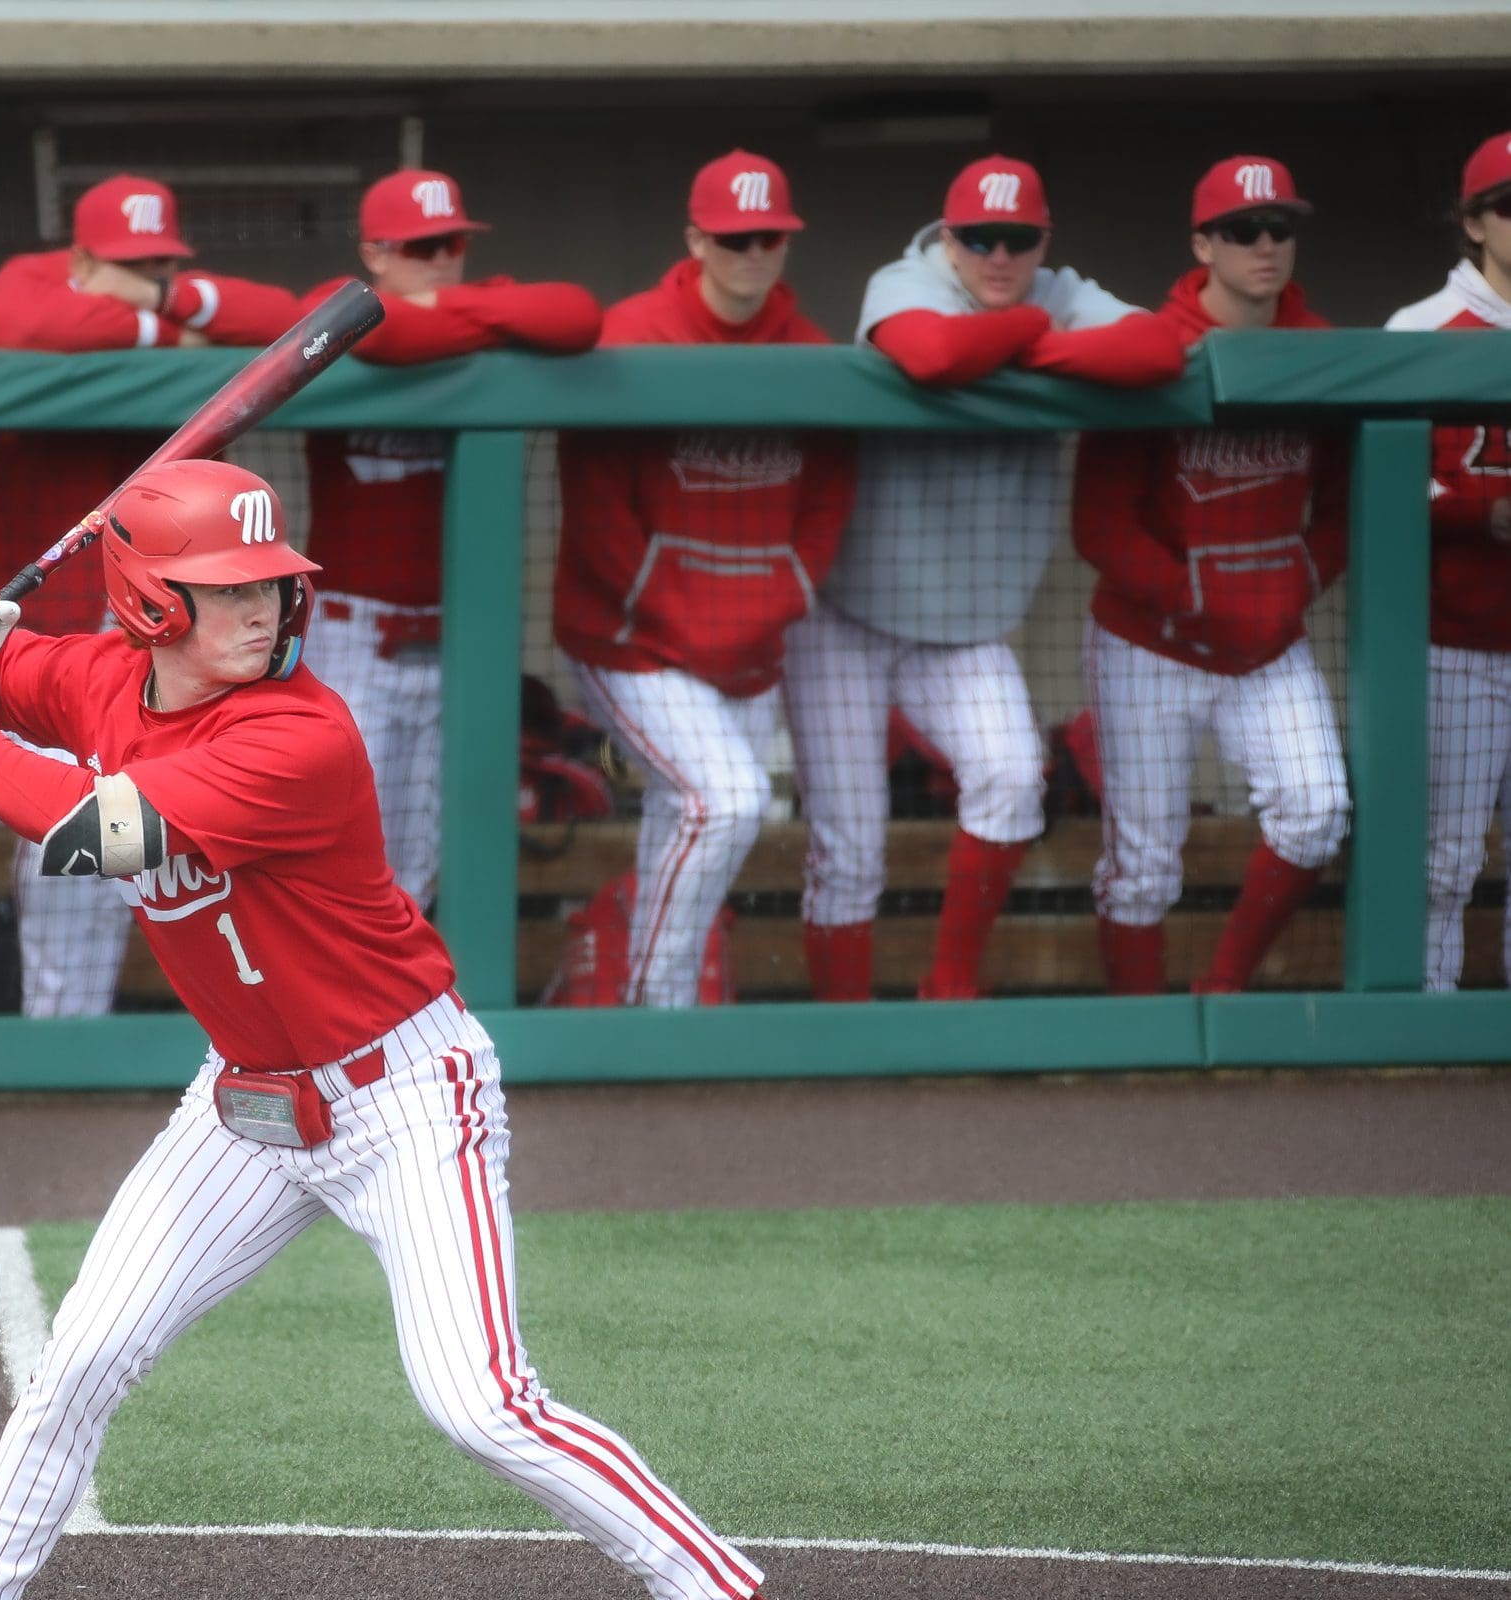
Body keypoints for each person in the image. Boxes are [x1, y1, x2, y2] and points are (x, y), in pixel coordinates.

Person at [0, 460, 815, 1600]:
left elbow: (87, 832)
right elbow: (8, 655)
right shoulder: (98, 677)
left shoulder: (295, 735)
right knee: (81, 1355)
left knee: (478, 1401)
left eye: (272, 585)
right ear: (148, 608)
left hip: (405, 1092)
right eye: (227, 591)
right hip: (244, 1104)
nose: (263, 610)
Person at [789, 156, 1185, 1002]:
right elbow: (930, 354)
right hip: (843, 615)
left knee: (1011, 777)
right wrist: (1047, 346)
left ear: (1042, 241)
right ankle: (841, 1035)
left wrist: (1019, 351)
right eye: (978, 239)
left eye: (1017, 241)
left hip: (964, 624)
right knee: (848, 848)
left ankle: (948, 991)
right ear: (948, 236)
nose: (998, 258)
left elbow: (1160, 345)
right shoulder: (905, 279)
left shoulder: (1057, 288)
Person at [0, 174, 300, 1016]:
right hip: (26, 623)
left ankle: (98, 1030)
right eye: (125, 264)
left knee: (133, 841)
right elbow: (27, 320)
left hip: (137, 620)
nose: (146, 279)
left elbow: (288, 318)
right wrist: (162, 330)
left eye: (160, 265)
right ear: (77, 256)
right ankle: (58, 1036)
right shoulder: (33, 282)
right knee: (72, 851)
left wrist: (170, 301)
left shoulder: (178, 304)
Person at [552, 152, 851, 1006]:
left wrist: (780, 595)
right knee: (726, 802)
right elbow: (598, 512)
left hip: (751, 641)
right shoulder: (633, 333)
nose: (751, 253)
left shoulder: (810, 351)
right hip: (632, 642)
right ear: (695, 239)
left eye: (768, 238)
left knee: (686, 811)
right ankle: (654, 1003)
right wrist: (685, 619)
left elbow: (829, 501)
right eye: (732, 238)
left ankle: (661, 1010)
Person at [1072, 157, 1349, 995]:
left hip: (1268, 642)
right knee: (1142, 862)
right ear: (1202, 244)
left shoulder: (1325, 352)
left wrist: (1293, 582)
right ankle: (1136, 1037)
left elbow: (1344, 502)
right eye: (1241, 230)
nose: (1265, 245)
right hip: (1149, 644)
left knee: (1317, 809)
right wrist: (1191, 595)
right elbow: (1099, 524)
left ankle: (1222, 986)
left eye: (1279, 229)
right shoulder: (1158, 348)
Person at [299, 168, 599, 909]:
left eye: (450, 245)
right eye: (419, 248)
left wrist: (448, 307)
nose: (439, 259)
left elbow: (577, 316)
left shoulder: (489, 297)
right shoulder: (337, 304)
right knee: (333, 844)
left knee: (424, 861)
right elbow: (362, 327)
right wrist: (480, 317)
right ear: (374, 252)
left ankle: (393, 1021)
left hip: (456, 639)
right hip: (350, 638)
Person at [1386, 130, 1511, 992]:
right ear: (1473, 222)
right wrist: (1484, 510)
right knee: (1443, 861)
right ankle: (1425, 1032)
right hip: (1454, 643)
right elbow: (1385, 483)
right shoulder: (1421, 329)